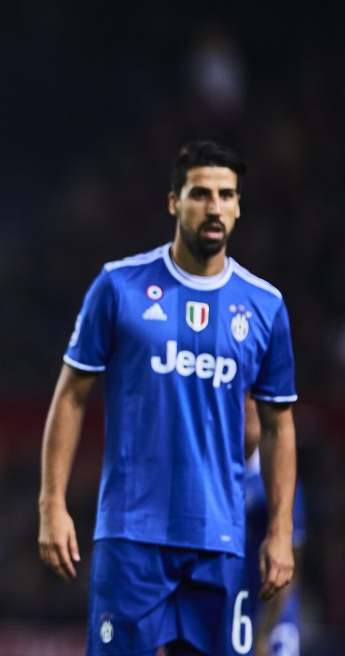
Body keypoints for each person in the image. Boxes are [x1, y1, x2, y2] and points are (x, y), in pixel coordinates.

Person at [38, 140, 298, 656]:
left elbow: (278, 426)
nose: (215, 206)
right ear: (174, 202)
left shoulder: (265, 306)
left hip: (222, 540)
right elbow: (71, 396)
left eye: (226, 195)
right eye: (201, 193)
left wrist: (280, 530)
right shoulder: (119, 286)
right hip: (132, 536)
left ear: (239, 206)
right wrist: (52, 505)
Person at [244, 396, 306, 656]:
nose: (246, 425)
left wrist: (264, 634)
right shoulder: (219, 474)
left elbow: (292, 563)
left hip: (270, 616)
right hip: (231, 606)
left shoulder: (278, 481)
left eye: (252, 416)